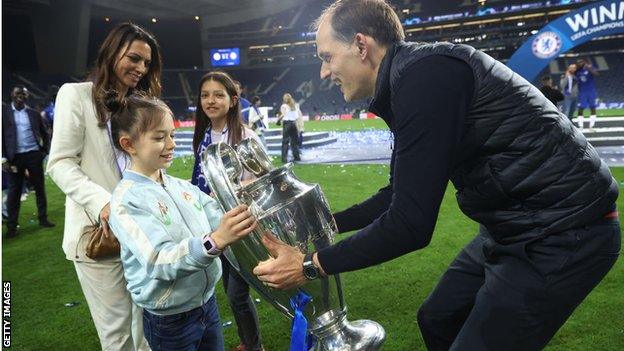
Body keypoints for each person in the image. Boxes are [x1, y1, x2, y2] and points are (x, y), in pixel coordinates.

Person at [253, 1, 620, 350]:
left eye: (326, 57)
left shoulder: (425, 77)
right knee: (438, 319)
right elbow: (396, 195)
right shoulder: (412, 77)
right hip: (515, 226)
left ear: (361, 45)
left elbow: (410, 224)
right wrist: (323, 227)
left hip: (563, 232)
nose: (323, 72)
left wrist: (309, 266)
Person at [106, 94, 257, 351]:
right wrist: (215, 240)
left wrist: (248, 208)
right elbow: (159, 260)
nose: (171, 144)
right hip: (170, 320)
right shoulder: (125, 202)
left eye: (172, 135)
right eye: (159, 137)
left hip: (206, 305)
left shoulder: (178, 186)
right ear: (128, 144)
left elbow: (217, 214)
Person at [47, 22, 161, 350]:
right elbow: (60, 163)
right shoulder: (76, 94)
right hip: (100, 237)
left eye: (146, 63)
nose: (141, 68)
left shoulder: (139, 105)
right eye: (134, 58)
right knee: (118, 335)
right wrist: (104, 204)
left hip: (143, 234)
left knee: (147, 326)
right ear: (112, 53)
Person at [191, 71, 265, 351]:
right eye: (205, 95)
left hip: (239, 224)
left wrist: (226, 189)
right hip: (211, 224)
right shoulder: (203, 136)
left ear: (234, 100)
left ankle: (254, 346)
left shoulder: (245, 136)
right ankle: (249, 343)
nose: (210, 101)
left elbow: (262, 178)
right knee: (228, 290)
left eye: (218, 95)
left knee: (236, 293)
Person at [2, 86, 54, 238]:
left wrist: (44, 150)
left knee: (39, 188)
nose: (21, 96)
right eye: (17, 93)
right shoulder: (4, 114)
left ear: (26, 96)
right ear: (11, 95)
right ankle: (11, 226)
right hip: (14, 158)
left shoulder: (33, 113)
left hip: (33, 155)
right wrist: (3, 159)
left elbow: (44, 133)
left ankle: (43, 219)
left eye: (23, 94)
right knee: (14, 192)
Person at [575, 58, 599, 129]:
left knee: (593, 108)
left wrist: (589, 68)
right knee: (580, 109)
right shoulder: (577, 71)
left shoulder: (589, 69)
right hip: (582, 93)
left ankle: (591, 126)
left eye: (581, 62)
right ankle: (580, 126)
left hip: (591, 92)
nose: (579, 63)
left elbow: (597, 74)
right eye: (578, 62)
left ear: (584, 62)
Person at [279, 93, 302, 163]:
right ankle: (297, 157)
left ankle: (284, 159)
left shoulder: (284, 106)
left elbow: (283, 114)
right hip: (293, 124)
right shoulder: (294, 106)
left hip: (287, 124)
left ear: (285, 99)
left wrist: (278, 120)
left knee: (285, 142)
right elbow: (297, 117)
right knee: (294, 142)